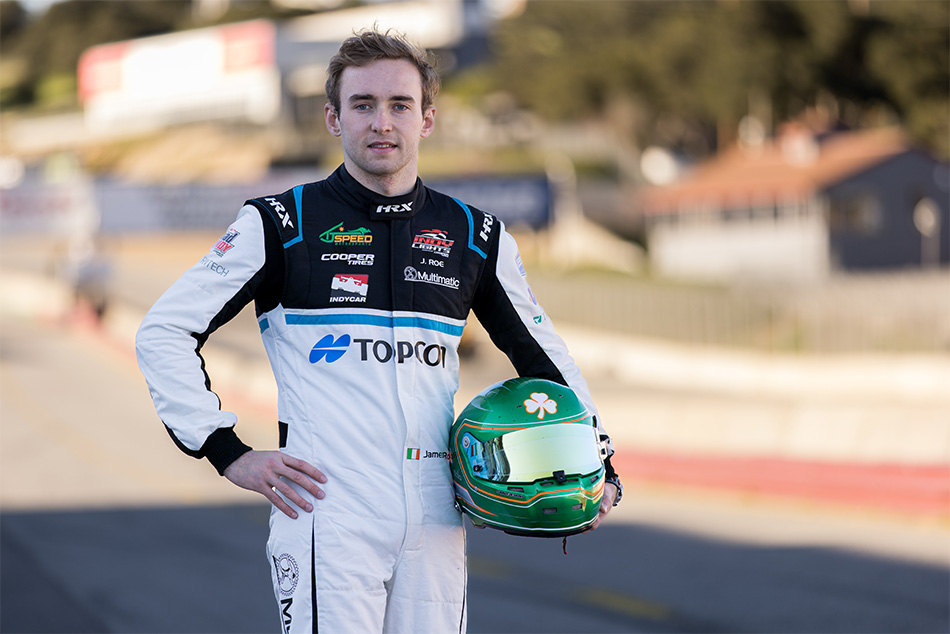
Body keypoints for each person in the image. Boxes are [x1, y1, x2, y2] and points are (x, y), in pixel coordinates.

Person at [136, 28, 621, 634]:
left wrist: (599, 462)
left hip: (439, 512)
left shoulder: (476, 235)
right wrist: (226, 452)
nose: (382, 122)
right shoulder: (280, 222)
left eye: (400, 105)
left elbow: (544, 358)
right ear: (333, 119)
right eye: (362, 105)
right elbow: (164, 331)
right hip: (327, 509)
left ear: (427, 119)